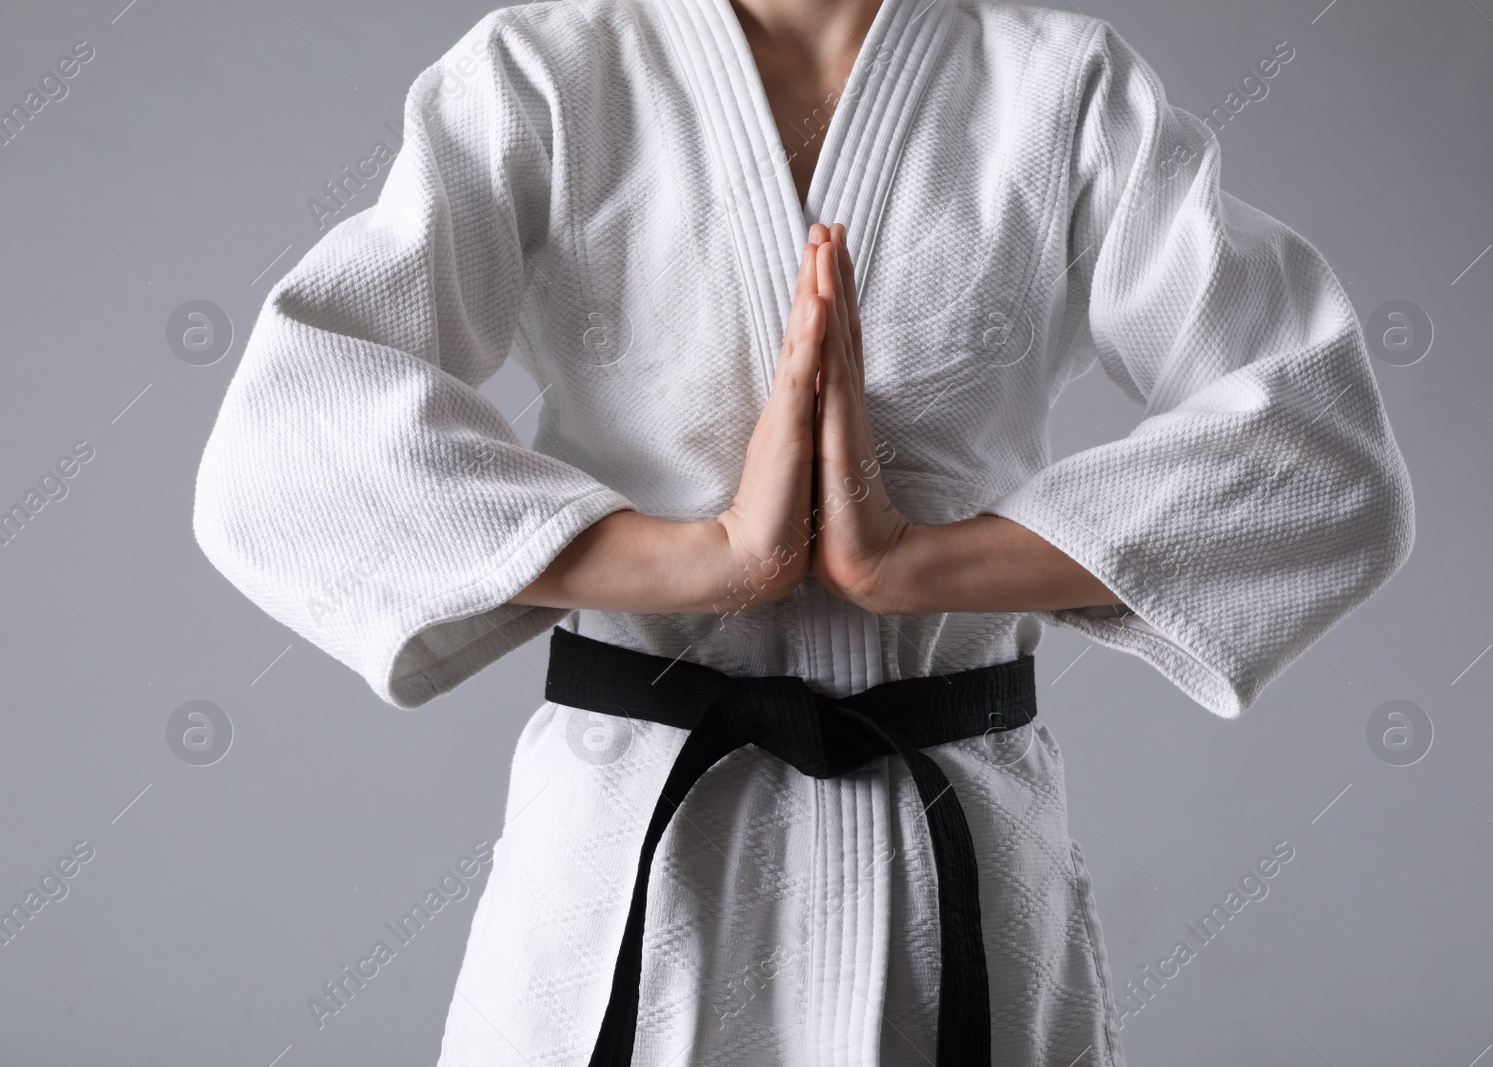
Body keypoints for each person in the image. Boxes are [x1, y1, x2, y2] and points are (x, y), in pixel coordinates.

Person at [191, 0, 1416, 1061]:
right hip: (631, 852)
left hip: (951, 856)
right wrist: (705, 560)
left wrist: (914, 564)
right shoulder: (545, 76)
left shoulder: (1060, 86)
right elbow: (291, 448)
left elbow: (1317, 451)